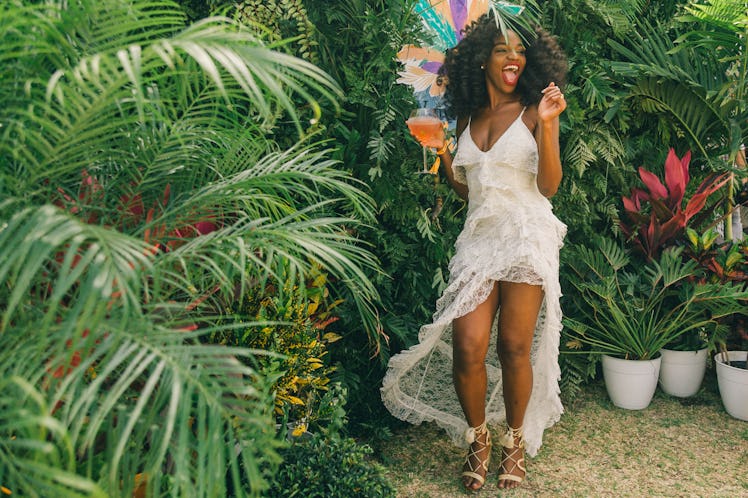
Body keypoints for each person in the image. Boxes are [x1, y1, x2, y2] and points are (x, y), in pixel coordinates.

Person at [381, 12, 568, 492]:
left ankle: (515, 441)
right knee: (467, 346)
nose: (513, 58)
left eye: (520, 50)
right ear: (481, 58)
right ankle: (478, 437)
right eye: (503, 49)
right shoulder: (465, 117)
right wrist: (444, 156)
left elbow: (548, 186)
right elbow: (471, 190)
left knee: (513, 347)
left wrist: (548, 127)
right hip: (479, 239)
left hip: (526, 233)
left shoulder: (533, 110)